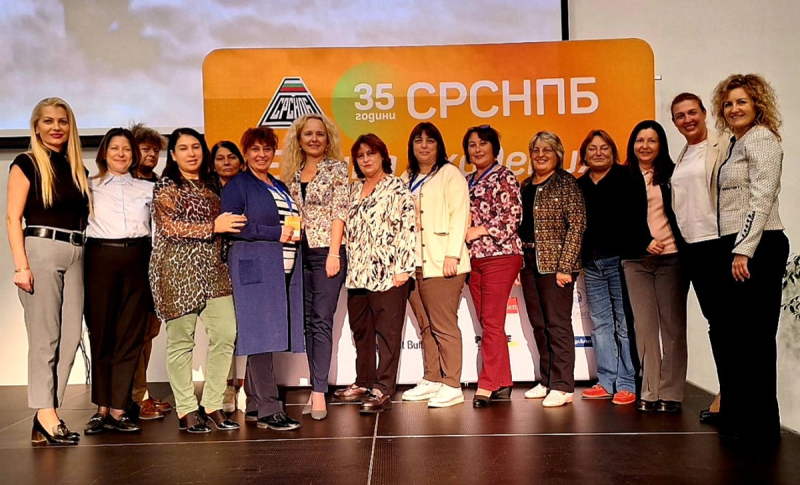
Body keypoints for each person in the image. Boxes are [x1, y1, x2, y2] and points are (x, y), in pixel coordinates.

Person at [7, 97, 90, 445]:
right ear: (36, 127)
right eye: (49, 121)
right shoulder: (26, 163)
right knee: (45, 339)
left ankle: (46, 412)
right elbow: (13, 217)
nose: (56, 127)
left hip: (77, 252)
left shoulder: (76, 168)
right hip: (41, 248)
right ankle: (46, 414)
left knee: (70, 338)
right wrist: (21, 266)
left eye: (62, 121)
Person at [710, 74, 788, 444]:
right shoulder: (736, 143)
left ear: (757, 104)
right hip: (741, 247)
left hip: (759, 247)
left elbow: (762, 195)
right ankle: (743, 421)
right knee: (740, 339)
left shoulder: (761, 139)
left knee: (755, 340)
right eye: (728, 104)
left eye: (742, 101)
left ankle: (762, 429)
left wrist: (744, 248)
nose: (734, 109)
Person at [149, 128, 244, 433]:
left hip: (214, 271)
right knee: (181, 341)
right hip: (177, 271)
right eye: (183, 148)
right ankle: (186, 409)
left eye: (196, 147)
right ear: (173, 155)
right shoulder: (166, 186)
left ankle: (213, 403)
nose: (191, 153)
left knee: (226, 334)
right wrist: (212, 226)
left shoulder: (213, 184)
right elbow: (168, 227)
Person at [221, 126, 305, 431]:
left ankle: (256, 405)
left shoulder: (278, 185)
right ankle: (270, 408)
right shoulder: (238, 185)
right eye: (255, 149)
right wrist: (275, 233)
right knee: (260, 336)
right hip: (255, 270)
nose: (261, 155)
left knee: (265, 336)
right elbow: (233, 225)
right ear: (245, 153)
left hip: (279, 269)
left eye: (267, 149)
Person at [335, 134, 415, 413]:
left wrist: (403, 268)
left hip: (388, 273)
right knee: (361, 331)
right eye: (360, 155)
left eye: (371, 153)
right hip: (358, 274)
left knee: (388, 334)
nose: (366, 159)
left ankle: (383, 388)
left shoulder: (396, 187)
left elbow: (408, 227)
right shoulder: (353, 190)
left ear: (383, 156)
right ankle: (364, 381)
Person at [83, 128, 153, 435]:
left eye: (126, 149)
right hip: (100, 257)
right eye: (115, 148)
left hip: (138, 256)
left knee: (130, 336)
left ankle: (119, 409)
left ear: (134, 154)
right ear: (104, 153)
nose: (121, 154)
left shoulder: (148, 188)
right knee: (101, 334)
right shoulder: (88, 185)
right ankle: (101, 408)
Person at [400, 122, 470, 408]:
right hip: (414, 264)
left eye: (430, 140)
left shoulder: (450, 174)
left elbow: (460, 214)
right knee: (426, 326)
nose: (424, 145)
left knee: (444, 325)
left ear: (439, 145)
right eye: (418, 140)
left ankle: (452, 383)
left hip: (443, 262)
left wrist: (452, 255)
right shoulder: (406, 177)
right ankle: (432, 378)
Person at [284, 114, 349, 420]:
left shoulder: (337, 169)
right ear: (299, 140)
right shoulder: (292, 175)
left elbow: (339, 212)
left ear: (327, 139)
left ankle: (320, 391)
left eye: (319, 134)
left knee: (322, 320)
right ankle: (315, 385)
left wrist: (334, 253)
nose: (314, 139)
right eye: (308, 134)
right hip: (299, 254)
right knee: (308, 322)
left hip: (327, 252)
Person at [669, 93, 729, 423]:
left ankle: (730, 394)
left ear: (704, 113)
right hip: (692, 248)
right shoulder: (684, 154)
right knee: (716, 323)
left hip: (718, 244)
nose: (687, 119)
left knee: (728, 322)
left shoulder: (723, 145)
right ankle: (729, 389)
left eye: (692, 112)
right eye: (680, 116)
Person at [621, 120, 688, 414]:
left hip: (672, 259)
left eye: (651, 140)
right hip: (636, 261)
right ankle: (649, 391)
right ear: (632, 145)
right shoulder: (622, 177)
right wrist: (643, 241)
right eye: (640, 140)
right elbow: (617, 220)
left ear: (661, 145)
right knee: (645, 328)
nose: (645, 146)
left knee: (673, 328)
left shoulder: (674, 174)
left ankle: (670, 393)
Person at [518, 131, 586, 408]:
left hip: (556, 264)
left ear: (558, 154)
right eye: (536, 150)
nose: (541, 155)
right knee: (539, 325)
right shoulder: (525, 185)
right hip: (529, 262)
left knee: (557, 325)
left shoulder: (566, 183)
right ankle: (547, 380)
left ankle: (563, 385)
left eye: (547, 149)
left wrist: (565, 266)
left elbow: (577, 225)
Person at [461, 125, 523, 408]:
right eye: (472, 145)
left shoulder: (504, 176)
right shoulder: (466, 180)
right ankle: (503, 381)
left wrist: (480, 230)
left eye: (483, 143)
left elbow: (513, 217)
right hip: (473, 259)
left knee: (493, 321)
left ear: (494, 148)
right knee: (488, 322)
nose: (477, 149)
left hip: (500, 255)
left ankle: (486, 383)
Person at [576, 130, 636, 406]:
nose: (598, 153)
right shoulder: (579, 185)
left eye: (604, 148)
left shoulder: (626, 177)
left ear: (613, 151)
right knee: (600, 325)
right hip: (591, 264)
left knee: (624, 324)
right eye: (592, 148)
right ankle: (606, 381)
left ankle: (627, 382)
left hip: (620, 262)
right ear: (584, 155)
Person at [128, 122, 172, 420]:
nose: (152, 155)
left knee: (149, 333)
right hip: (132, 265)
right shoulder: (121, 183)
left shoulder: (159, 183)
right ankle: (135, 396)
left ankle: (141, 392)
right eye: (146, 149)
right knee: (134, 334)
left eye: (156, 151)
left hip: (158, 267)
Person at [210, 139, 247, 413]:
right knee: (223, 330)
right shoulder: (207, 191)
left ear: (241, 162)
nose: (226, 162)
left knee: (244, 326)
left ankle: (246, 385)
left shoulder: (250, 187)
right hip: (213, 264)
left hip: (245, 260)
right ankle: (224, 387)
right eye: (220, 158)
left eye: (231, 157)